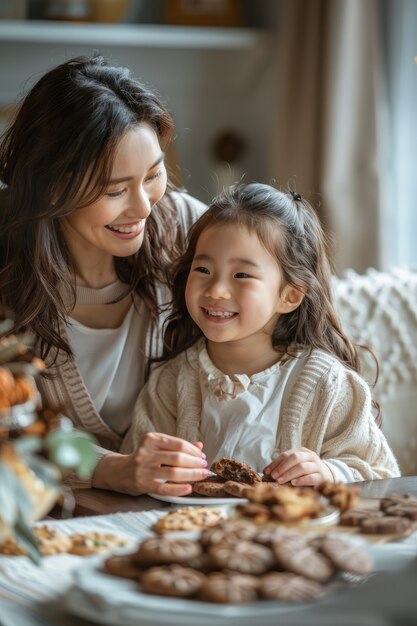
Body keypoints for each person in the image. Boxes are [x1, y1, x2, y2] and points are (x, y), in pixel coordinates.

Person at [0, 54, 211, 495]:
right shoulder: (8, 273)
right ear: (52, 184)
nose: (143, 207)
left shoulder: (189, 230)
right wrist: (112, 469)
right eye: (115, 190)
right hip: (46, 518)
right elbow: (11, 433)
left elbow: (292, 329)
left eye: (153, 175)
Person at [121, 183, 400, 489]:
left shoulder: (328, 385)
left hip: (295, 534)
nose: (215, 290)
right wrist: (155, 471)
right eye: (202, 269)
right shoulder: (170, 383)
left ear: (290, 295)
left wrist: (330, 473)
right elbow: (135, 471)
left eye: (241, 275)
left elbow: (382, 478)